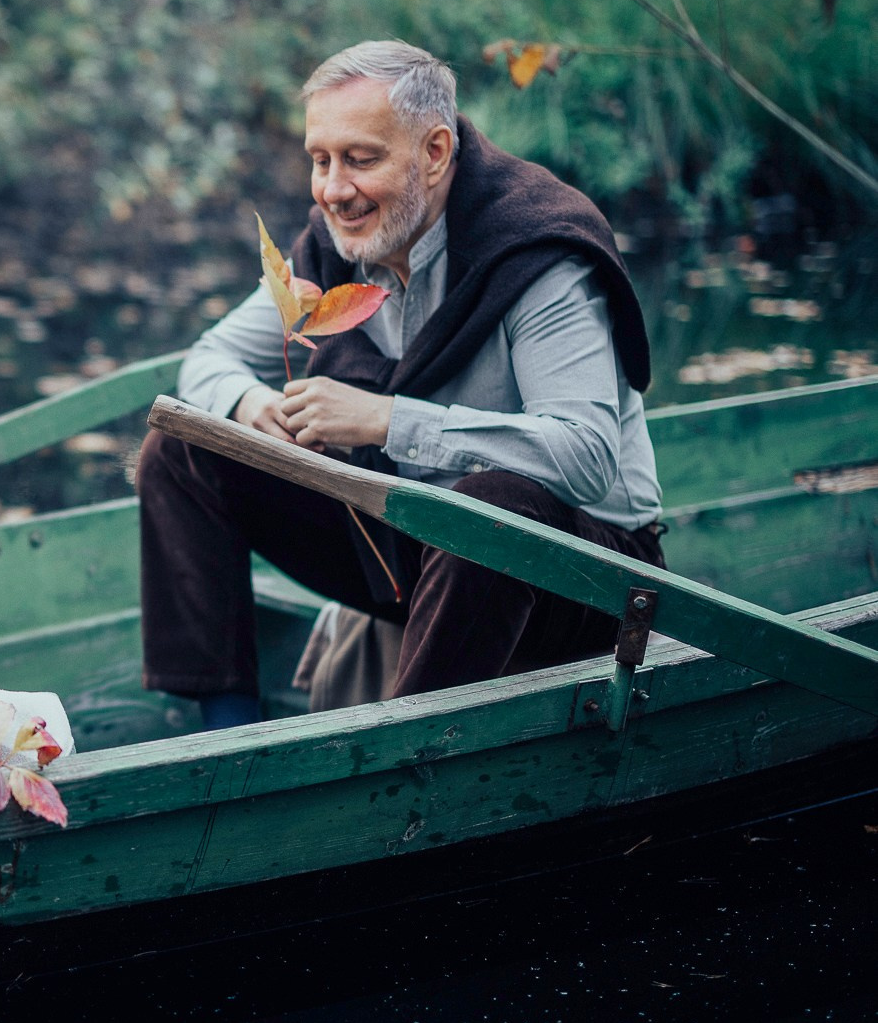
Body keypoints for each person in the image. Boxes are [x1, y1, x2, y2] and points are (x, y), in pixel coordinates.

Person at [138, 40, 664, 728]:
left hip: (584, 581)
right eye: (320, 160)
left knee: (487, 508)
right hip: (410, 554)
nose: (332, 189)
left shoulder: (538, 254)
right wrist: (253, 404)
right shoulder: (335, 247)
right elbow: (207, 362)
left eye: (360, 159)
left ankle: (401, 761)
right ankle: (226, 736)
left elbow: (588, 458)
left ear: (436, 152)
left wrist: (386, 419)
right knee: (184, 448)